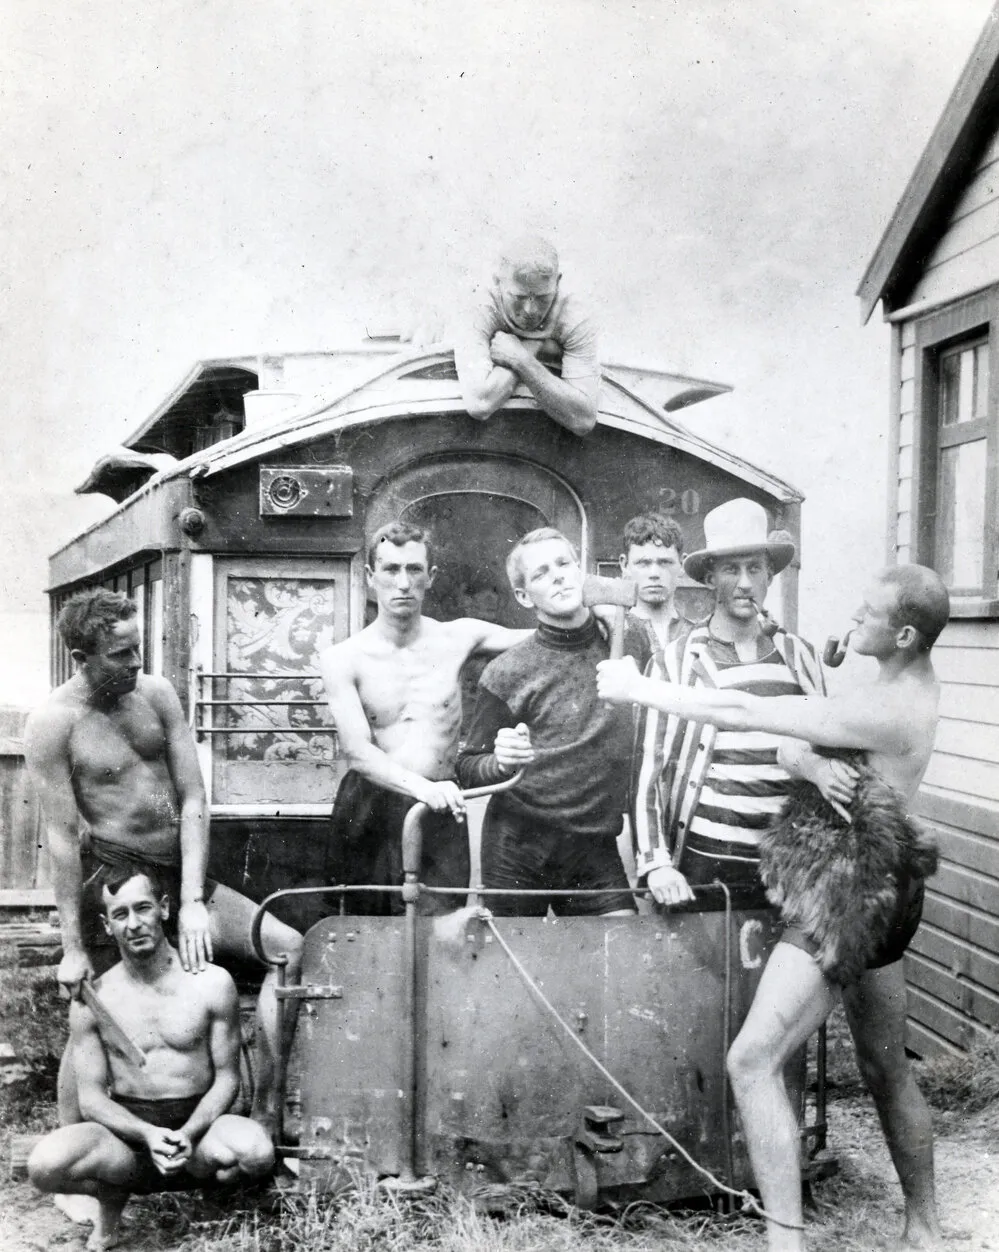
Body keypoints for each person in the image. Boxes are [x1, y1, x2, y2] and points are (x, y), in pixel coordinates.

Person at [597, 562, 949, 1251]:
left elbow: (745, 711)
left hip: (846, 892)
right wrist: (810, 762)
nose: (849, 621)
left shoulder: (886, 707)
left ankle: (784, 1244)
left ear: (903, 633)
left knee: (751, 1062)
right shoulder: (892, 681)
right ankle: (924, 1228)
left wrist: (641, 688)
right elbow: (795, 742)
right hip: (886, 882)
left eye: (865, 615)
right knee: (884, 1066)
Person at [24, 589, 301, 1137]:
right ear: (83, 658)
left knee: (288, 949)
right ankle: (74, 1146)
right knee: (93, 1000)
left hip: (180, 872)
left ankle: (266, 1113)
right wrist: (73, 948)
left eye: (138, 649)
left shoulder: (157, 695)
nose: (136, 664)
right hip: (116, 876)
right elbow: (59, 838)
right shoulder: (53, 722)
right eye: (120, 655)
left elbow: (193, 799)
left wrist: (194, 899)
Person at [28, 867, 274, 1251]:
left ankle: (211, 1197)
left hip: (198, 1136)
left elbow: (228, 1078)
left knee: (256, 1153)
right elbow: (91, 1099)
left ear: (163, 908)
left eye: (143, 908)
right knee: (43, 1166)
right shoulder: (94, 999)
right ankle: (112, 1203)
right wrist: (147, 1135)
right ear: (106, 926)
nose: (134, 924)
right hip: (127, 1143)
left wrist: (188, 1134)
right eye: (120, 914)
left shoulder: (211, 983)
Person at [319, 521, 535, 914]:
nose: (403, 582)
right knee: (362, 932)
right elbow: (357, 751)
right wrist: (420, 788)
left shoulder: (460, 637)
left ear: (430, 577)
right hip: (370, 807)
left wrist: (599, 611)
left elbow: (541, 640)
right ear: (370, 577)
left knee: (441, 929)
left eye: (414, 569)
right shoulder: (342, 659)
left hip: (441, 803)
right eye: (390, 569)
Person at [627, 498, 825, 909]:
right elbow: (648, 770)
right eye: (731, 570)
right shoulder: (675, 661)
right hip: (707, 862)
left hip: (789, 865)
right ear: (709, 578)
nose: (745, 583)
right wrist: (657, 863)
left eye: (754, 568)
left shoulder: (798, 656)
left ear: (770, 575)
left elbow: (824, 748)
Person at [455, 527, 649, 916]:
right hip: (517, 844)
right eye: (542, 573)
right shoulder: (506, 671)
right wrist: (501, 762)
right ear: (524, 596)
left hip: (592, 844)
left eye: (565, 564)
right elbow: (468, 767)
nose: (559, 575)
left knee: (619, 958)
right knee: (511, 965)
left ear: (581, 572)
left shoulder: (627, 643)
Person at [453, 235, 599, 436]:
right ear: (498, 282)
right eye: (519, 297)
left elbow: (583, 420)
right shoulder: (479, 306)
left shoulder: (575, 315)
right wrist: (541, 342)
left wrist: (521, 357)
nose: (530, 310)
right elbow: (480, 403)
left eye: (542, 298)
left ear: (558, 282)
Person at [619, 512, 695, 660]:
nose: (654, 573)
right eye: (643, 563)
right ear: (625, 565)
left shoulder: (697, 635)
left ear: (682, 564)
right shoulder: (613, 633)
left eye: (665, 563)